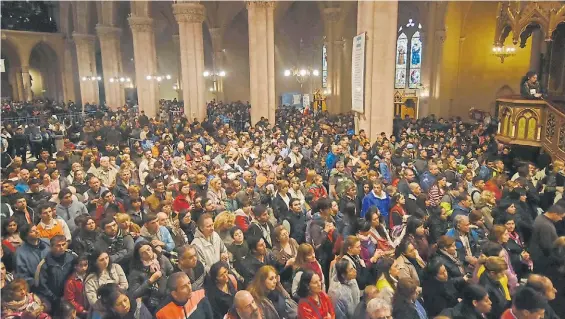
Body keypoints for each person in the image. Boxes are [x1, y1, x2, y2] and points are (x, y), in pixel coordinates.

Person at [128, 241, 173, 313]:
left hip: (167, 296)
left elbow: (171, 271)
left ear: (152, 249)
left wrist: (162, 272)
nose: (148, 253)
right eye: (143, 253)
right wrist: (150, 281)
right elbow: (134, 294)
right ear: (139, 257)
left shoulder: (161, 258)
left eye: (148, 249)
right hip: (151, 303)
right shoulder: (135, 272)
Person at [35, 235, 77, 311]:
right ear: (51, 247)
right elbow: (42, 286)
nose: (61, 247)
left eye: (63, 244)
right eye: (58, 245)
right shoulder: (45, 264)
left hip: (71, 297)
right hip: (53, 300)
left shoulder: (72, 258)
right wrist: (55, 298)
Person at [529, 201, 565, 272]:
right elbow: (547, 247)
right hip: (542, 259)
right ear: (554, 214)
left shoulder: (541, 217)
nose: (561, 219)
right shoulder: (546, 225)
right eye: (561, 217)